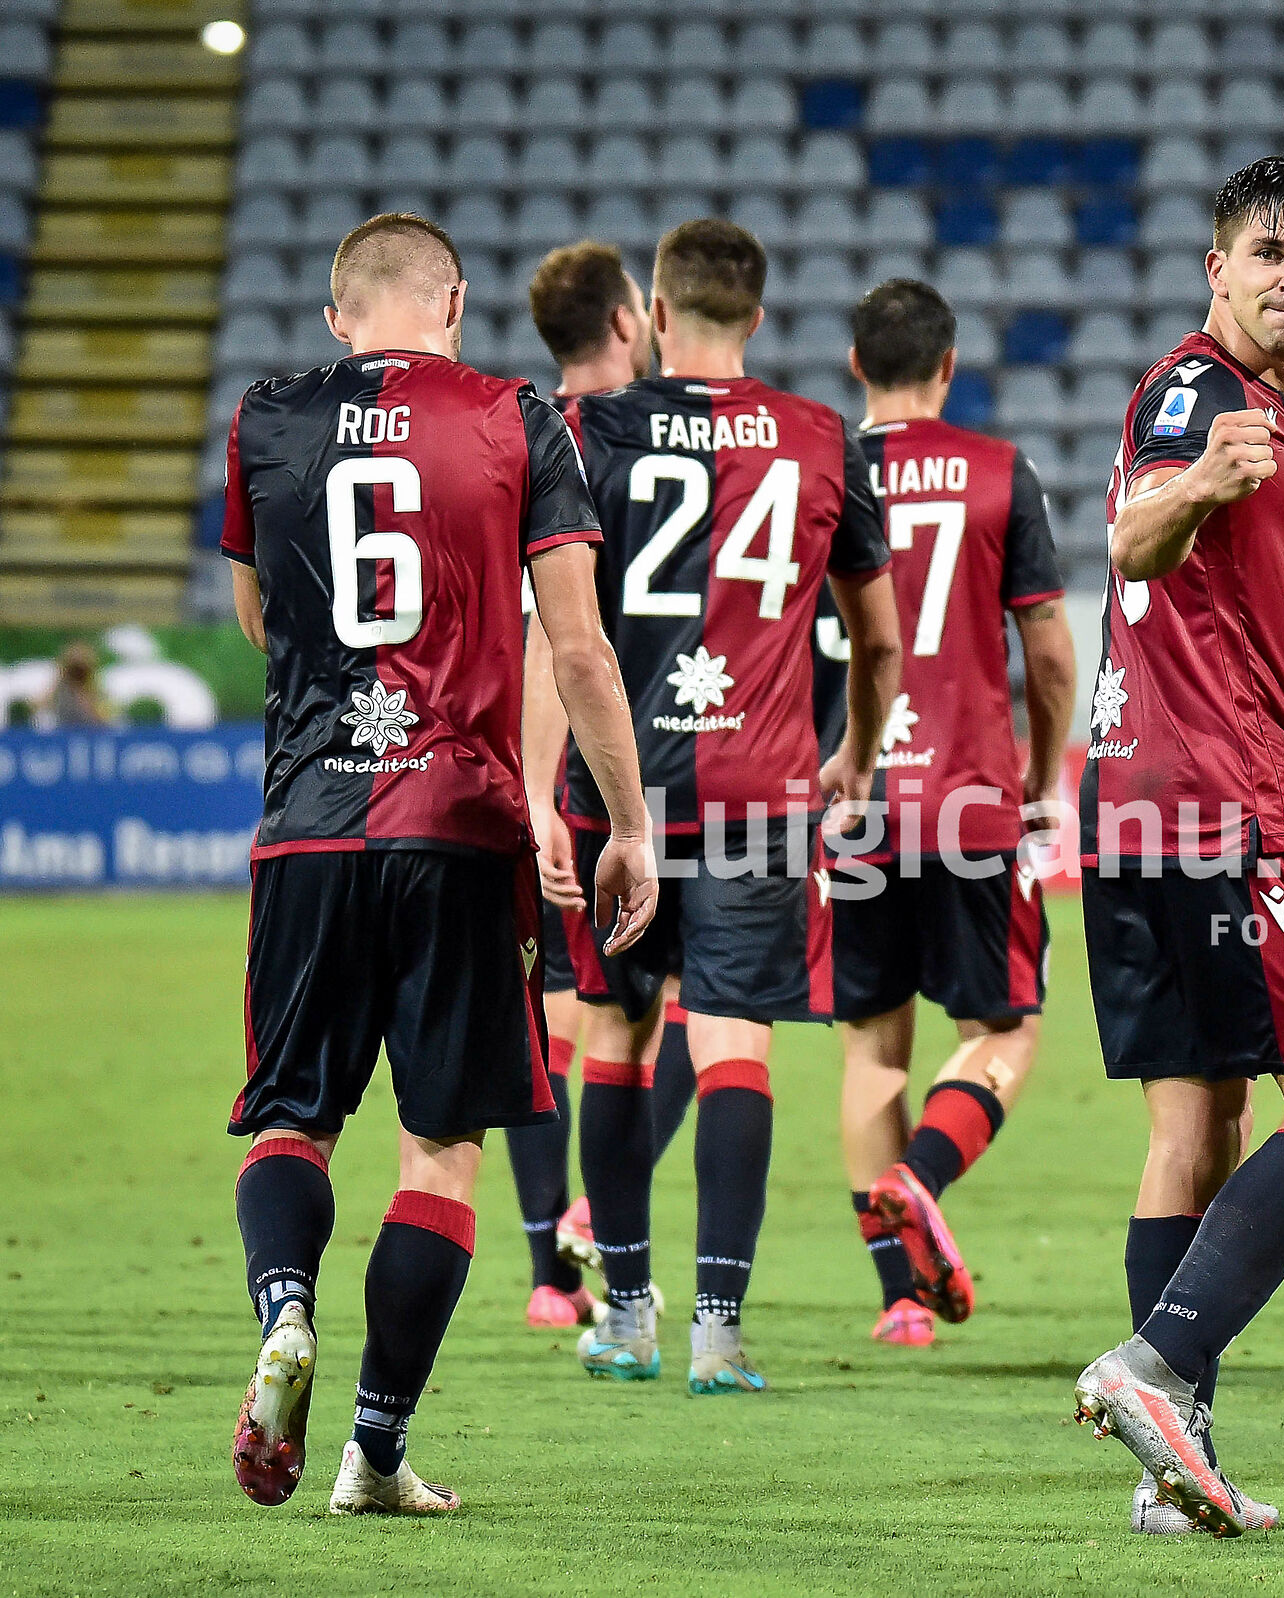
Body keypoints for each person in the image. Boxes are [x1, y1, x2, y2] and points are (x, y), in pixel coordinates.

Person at [221, 212, 657, 1514]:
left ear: (337, 317)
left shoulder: (267, 416)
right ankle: (373, 1448)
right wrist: (624, 820)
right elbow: (575, 647)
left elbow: (260, 619)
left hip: (309, 820)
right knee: (441, 1147)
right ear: (456, 299)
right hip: (461, 823)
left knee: (294, 1111)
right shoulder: (517, 413)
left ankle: (285, 1310)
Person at [1070, 157, 1284, 1540]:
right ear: (1217, 267)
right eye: (1267, 249)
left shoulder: (1258, 415)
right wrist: (1202, 477)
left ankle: (1168, 1464)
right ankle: (1156, 1362)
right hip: (1231, 802)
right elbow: (1135, 538)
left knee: (1194, 1126)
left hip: (1136, 800)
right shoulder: (1203, 394)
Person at [526, 218, 902, 1396]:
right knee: (734, 1044)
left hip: (619, 785)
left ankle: (623, 1313)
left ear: (657, 309)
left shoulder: (585, 426)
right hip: (761, 789)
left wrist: (545, 791)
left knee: (618, 1039)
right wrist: (856, 752)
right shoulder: (821, 438)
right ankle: (717, 1332)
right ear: (760, 313)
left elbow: (554, 633)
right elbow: (879, 637)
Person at [830, 278, 1077, 1349]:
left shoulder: (816, 472)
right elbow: (1053, 650)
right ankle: (921, 1178)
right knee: (1006, 1031)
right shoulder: (998, 472)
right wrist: (1042, 771)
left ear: (855, 367)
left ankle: (898, 1296)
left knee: (872, 1047)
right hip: (971, 796)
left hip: (856, 800)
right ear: (947, 366)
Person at [505, 238, 660, 1331]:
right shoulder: (637, 435)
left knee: (551, 1014)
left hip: (545, 772)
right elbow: (562, 641)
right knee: (655, 1020)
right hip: (625, 773)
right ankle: (591, 1235)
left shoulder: (517, 434)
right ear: (624, 320)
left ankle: (549, 1273)